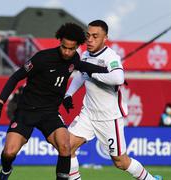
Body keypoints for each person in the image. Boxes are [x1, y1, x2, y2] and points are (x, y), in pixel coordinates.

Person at [0, 22, 109, 180]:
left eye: (71, 49)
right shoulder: (42, 58)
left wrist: (108, 72)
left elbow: (82, 66)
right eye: (64, 47)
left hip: (49, 113)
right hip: (26, 111)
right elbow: (16, 77)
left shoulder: (74, 59)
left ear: (78, 46)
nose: (66, 52)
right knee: (9, 152)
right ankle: (5, 171)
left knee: (65, 146)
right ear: (60, 41)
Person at [63, 20, 163, 180]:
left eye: (95, 36)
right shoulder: (85, 55)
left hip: (109, 117)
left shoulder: (111, 57)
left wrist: (93, 72)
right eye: (88, 36)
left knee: (121, 162)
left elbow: (118, 78)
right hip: (88, 113)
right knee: (66, 147)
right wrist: (68, 94)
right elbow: (81, 75)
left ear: (105, 38)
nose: (90, 40)